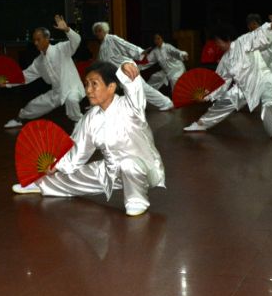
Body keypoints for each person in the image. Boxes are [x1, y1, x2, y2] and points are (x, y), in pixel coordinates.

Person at [12, 60, 164, 217]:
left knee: (128, 164)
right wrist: (57, 165)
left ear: (111, 87)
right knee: (74, 177)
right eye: (86, 84)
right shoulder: (91, 117)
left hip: (145, 169)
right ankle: (42, 184)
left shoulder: (131, 107)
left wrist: (127, 65)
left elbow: (134, 87)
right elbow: (78, 150)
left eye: (94, 84)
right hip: (111, 169)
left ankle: (137, 200)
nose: (88, 90)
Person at [182, 16, 272, 139]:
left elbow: (257, 34)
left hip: (262, 79)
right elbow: (220, 81)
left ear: (227, 39)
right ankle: (201, 124)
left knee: (269, 103)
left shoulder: (243, 41)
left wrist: (271, 25)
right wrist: (206, 96)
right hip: (243, 87)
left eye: (218, 42)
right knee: (224, 102)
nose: (217, 45)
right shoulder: (225, 60)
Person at [1, 15, 85, 129]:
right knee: (36, 104)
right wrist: (7, 82)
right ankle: (19, 119)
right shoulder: (39, 61)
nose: (36, 43)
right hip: (57, 91)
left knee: (71, 99)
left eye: (38, 39)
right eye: (34, 40)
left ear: (47, 38)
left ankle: (80, 123)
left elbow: (76, 40)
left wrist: (67, 29)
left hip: (72, 87)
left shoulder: (61, 49)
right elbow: (25, 76)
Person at [92, 21, 174, 111]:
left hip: (126, 69)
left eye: (99, 30)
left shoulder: (111, 39)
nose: (98, 33)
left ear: (105, 30)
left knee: (142, 88)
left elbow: (125, 45)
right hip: (119, 73)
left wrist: (139, 52)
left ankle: (166, 102)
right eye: (96, 31)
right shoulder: (102, 46)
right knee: (131, 91)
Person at [247, 14, 272, 114]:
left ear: (255, 23)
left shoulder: (266, 27)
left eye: (251, 24)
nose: (249, 27)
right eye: (248, 25)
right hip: (264, 68)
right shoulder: (249, 37)